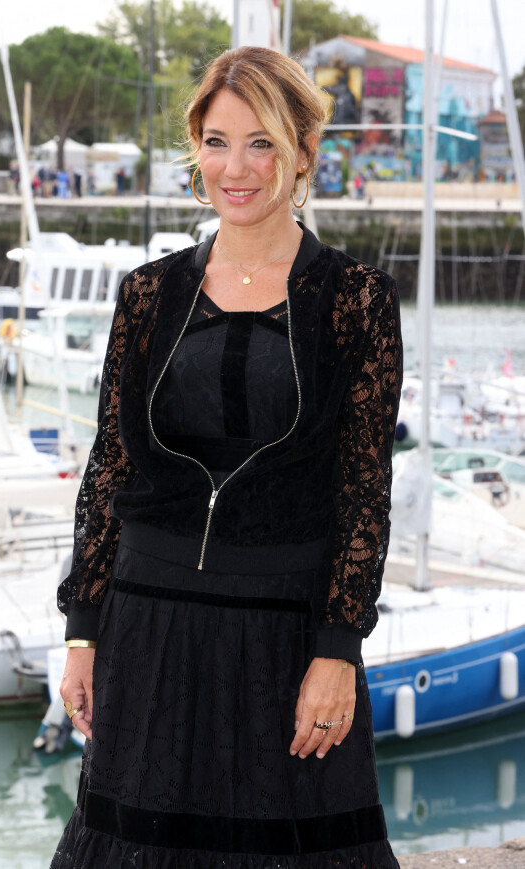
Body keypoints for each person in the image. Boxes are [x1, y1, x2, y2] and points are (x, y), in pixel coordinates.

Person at [52, 45, 402, 869]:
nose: (234, 168)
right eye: (216, 141)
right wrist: (82, 630)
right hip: (150, 623)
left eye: (261, 143)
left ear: (304, 153)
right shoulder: (148, 294)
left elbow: (362, 488)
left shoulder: (354, 299)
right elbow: (111, 468)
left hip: (283, 635)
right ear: (195, 149)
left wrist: (338, 646)